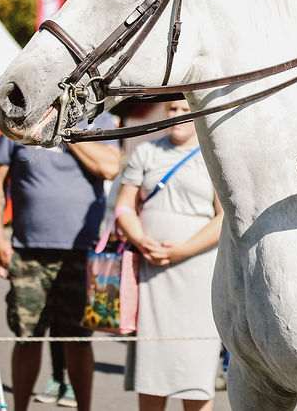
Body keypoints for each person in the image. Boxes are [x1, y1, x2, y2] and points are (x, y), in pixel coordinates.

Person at [0, 111, 119, 411]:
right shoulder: (22, 116)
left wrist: (66, 129)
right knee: (27, 337)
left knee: (79, 340)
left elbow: (110, 167)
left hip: (82, 252)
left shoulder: (99, 121)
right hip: (28, 251)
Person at [113, 99, 223, 411]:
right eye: (172, 109)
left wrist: (183, 250)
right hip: (152, 273)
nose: (177, 116)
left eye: (185, 110)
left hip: (198, 274)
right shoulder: (146, 152)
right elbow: (123, 206)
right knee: (151, 369)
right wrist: (140, 239)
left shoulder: (212, 154)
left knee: (196, 370)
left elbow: (223, 217)